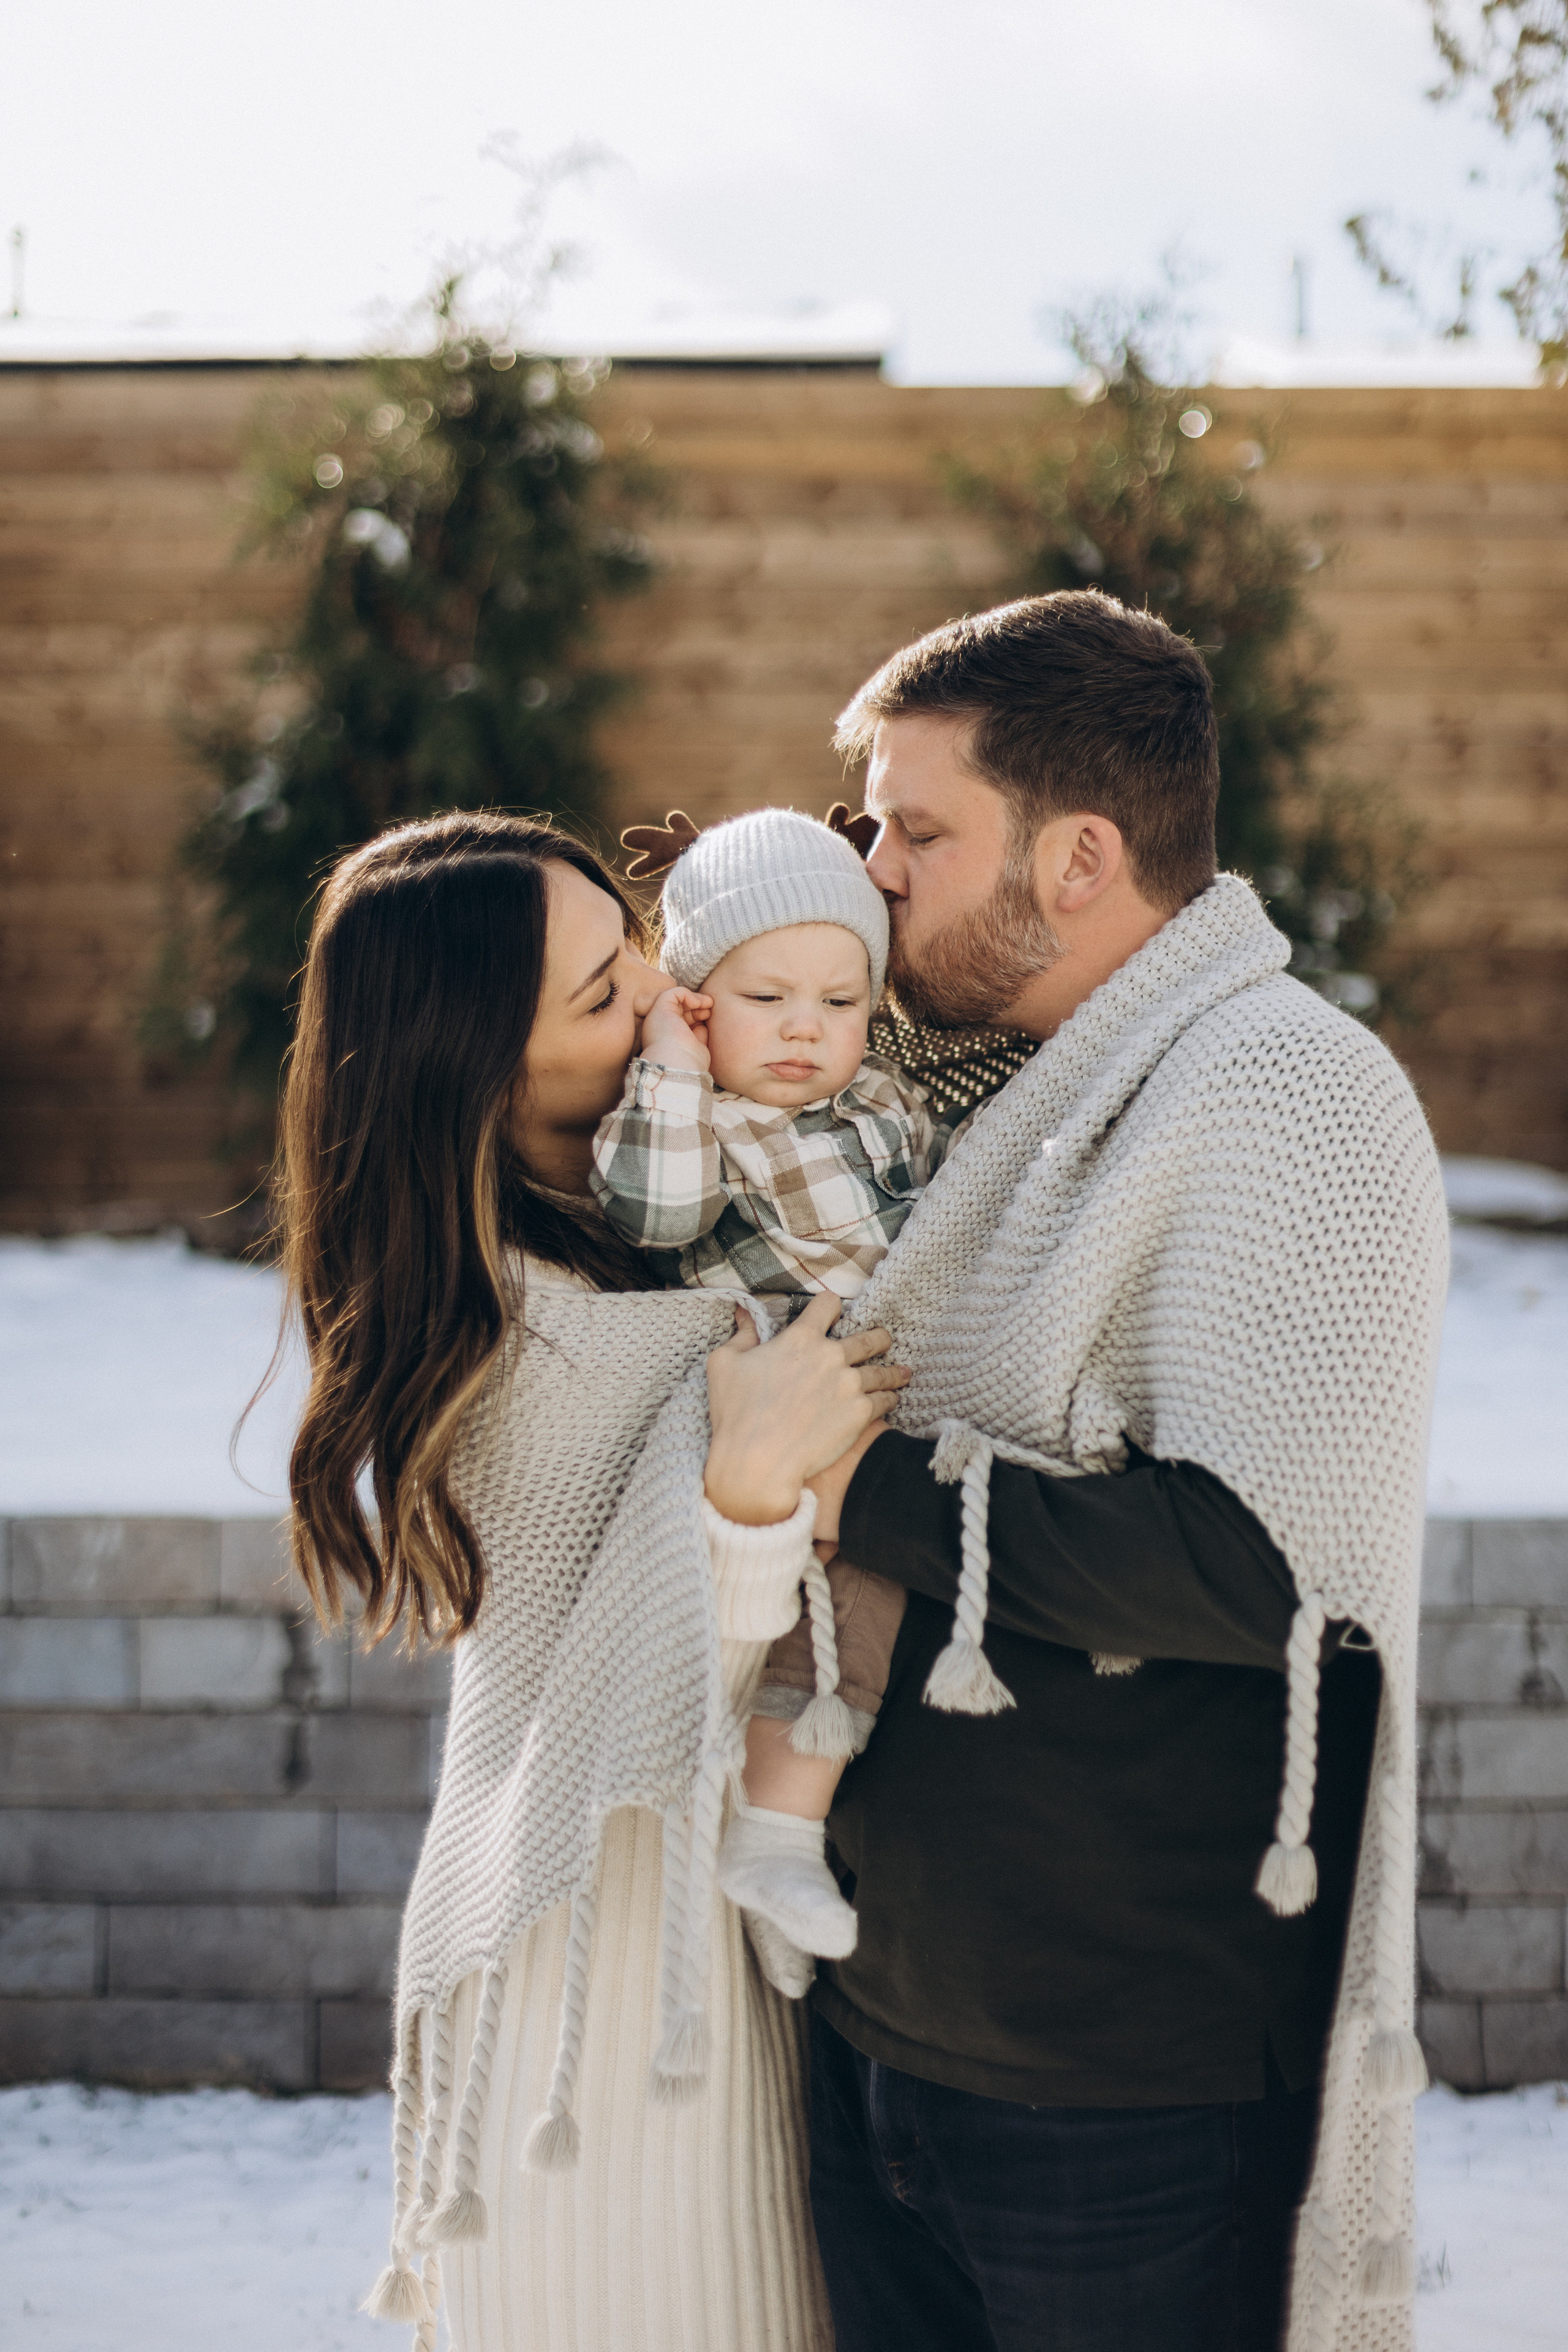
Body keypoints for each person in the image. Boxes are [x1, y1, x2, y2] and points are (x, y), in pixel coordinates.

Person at [794, 590, 1449, 2352]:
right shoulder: (968, 1091)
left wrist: (843, 1476)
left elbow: (1267, 1572)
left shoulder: (1290, 1093)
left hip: (1121, 2094)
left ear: (1081, 857)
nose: (877, 874)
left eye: (919, 832)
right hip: (875, 2018)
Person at [280, 810, 908, 2352]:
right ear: (486, 1078)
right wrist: (746, 1496)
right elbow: (618, 1678)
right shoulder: (515, 1339)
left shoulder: (680, 1216)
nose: (671, 997)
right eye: (603, 998)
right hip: (601, 1988)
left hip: (732, 1950)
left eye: (636, 947)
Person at [587, 805, 941, 1966]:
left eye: (840, 1005)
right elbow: (656, 1215)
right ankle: (780, 1840)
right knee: (838, 1623)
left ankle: (786, 1866)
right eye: (764, 1000)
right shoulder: (692, 1121)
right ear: (695, 999)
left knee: (870, 1633)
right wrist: (676, 1073)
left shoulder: (880, 1102)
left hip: (882, 1402)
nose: (804, 1030)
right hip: (777, 1420)